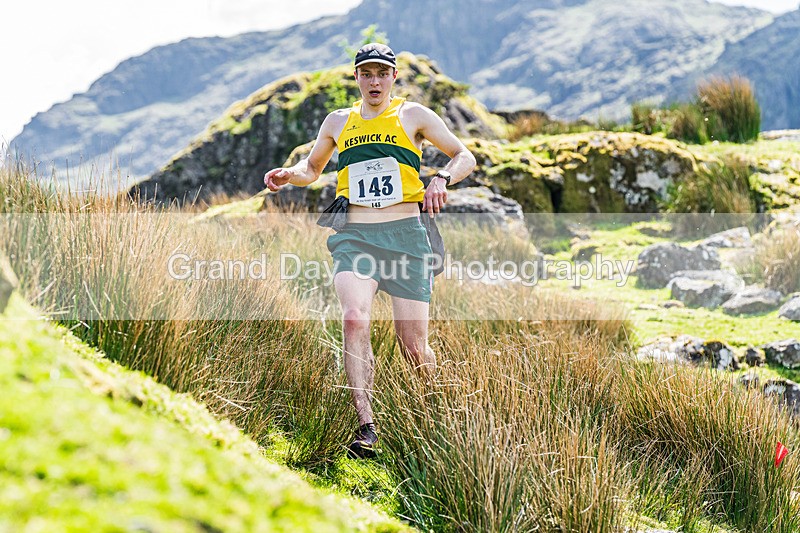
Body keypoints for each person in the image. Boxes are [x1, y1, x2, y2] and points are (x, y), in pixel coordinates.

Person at [264, 43, 476, 459]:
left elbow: (463, 155)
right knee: (353, 318)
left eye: (382, 73)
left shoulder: (413, 115)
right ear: (356, 77)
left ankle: (435, 416)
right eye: (367, 73)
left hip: (407, 237)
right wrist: (291, 173)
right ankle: (367, 425)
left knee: (413, 347)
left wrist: (441, 178)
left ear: (394, 76)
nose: (374, 81)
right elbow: (312, 168)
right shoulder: (338, 121)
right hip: (355, 236)